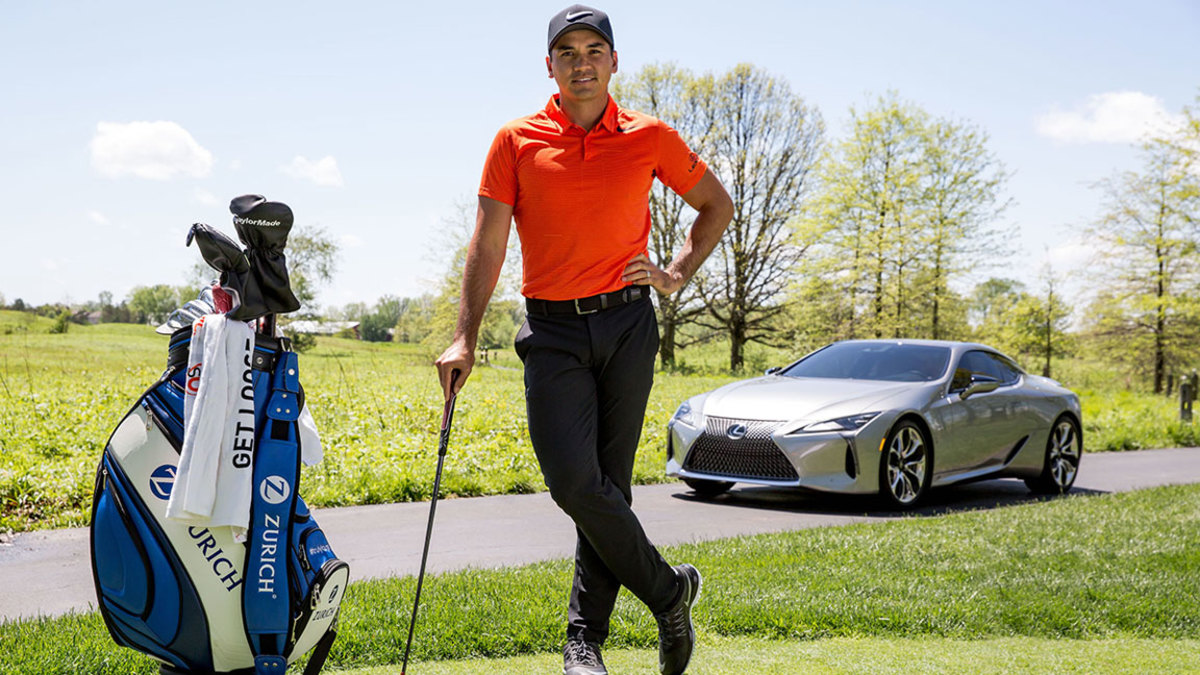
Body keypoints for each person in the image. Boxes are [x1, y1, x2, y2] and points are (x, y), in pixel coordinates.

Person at [434, 5, 733, 674]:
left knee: (610, 488)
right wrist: (463, 336)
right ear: (550, 66)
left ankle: (583, 642)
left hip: (628, 323)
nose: (581, 61)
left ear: (614, 61)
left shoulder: (651, 136)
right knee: (575, 482)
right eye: (567, 51)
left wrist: (676, 271)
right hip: (552, 328)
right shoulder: (516, 140)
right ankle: (669, 590)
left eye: (594, 48)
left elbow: (716, 204)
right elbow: (488, 242)